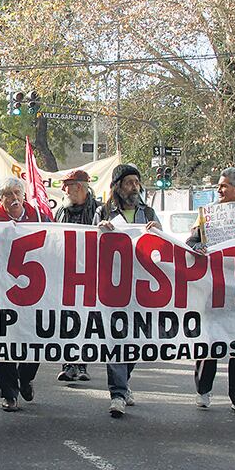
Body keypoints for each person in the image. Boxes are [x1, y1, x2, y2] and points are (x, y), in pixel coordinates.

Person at [94, 165, 162, 418]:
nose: (135, 187)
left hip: (142, 285)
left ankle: (125, 381)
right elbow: (90, 245)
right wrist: (100, 230)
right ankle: (118, 394)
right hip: (113, 286)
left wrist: (159, 232)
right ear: (117, 187)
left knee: (134, 340)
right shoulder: (103, 212)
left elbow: (161, 250)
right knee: (116, 339)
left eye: (137, 182)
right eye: (129, 182)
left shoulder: (149, 212)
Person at [187, 167, 235, 415]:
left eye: (223, 186)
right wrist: (200, 246)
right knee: (210, 341)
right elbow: (191, 242)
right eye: (219, 185)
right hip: (214, 288)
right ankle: (203, 391)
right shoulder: (209, 215)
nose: (219, 190)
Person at [0, 177, 50, 411]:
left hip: (36, 292)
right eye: (8, 194)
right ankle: (9, 393)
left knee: (37, 337)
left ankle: (26, 376)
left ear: (24, 196)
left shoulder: (41, 219)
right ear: (1, 199)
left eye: (17, 193)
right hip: (2, 291)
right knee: (3, 341)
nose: (14, 198)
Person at [52, 170, 101, 384]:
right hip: (66, 272)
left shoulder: (100, 210)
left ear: (79, 187)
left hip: (91, 272)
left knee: (86, 319)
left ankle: (82, 364)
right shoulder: (61, 211)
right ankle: (68, 364)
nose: (63, 190)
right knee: (67, 319)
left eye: (67, 186)